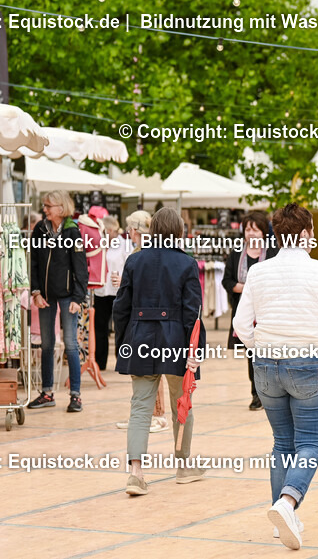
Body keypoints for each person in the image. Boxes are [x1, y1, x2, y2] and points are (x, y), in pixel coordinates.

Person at [233, 203, 318, 550]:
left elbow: (240, 326)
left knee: (282, 443)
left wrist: (259, 347)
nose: (313, 236)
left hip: (266, 365)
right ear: (302, 234)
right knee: (311, 442)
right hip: (309, 363)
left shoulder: (257, 271)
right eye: (311, 230)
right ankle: (287, 502)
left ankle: (280, 519)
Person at [114, 208, 205, 495]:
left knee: (140, 407)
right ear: (178, 231)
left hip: (139, 337)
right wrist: (196, 351)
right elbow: (194, 314)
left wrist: (122, 344)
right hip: (176, 341)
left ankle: (136, 473)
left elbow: (121, 308)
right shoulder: (187, 264)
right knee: (182, 403)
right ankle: (182, 467)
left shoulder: (134, 260)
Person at [28, 190, 89, 413]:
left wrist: (78, 297)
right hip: (45, 296)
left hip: (68, 296)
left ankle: (76, 396)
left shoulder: (73, 231)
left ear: (61, 209)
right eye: (44, 205)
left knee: (71, 344)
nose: (44, 209)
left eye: (48, 206)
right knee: (46, 344)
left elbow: (81, 267)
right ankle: (47, 393)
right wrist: (35, 292)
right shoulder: (39, 230)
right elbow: (33, 262)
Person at [115, 210, 167, 433]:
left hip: (146, 319)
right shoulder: (141, 252)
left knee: (151, 371)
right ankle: (142, 415)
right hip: (147, 319)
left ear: (134, 230)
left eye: (129, 228)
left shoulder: (141, 254)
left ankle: (156, 416)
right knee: (144, 372)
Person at [223, 210, 279, 410]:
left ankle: (272, 393)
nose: (251, 233)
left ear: (264, 231)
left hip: (268, 312)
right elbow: (227, 281)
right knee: (251, 355)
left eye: (255, 229)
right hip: (245, 313)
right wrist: (248, 288)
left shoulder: (273, 253)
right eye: (248, 229)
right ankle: (256, 394)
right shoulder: (236, 254)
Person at [92, 216, 128, 371]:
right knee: (100, 327)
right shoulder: (100, 244)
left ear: (111, 230)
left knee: (120, 326)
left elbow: (129, 265)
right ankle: (101, 361)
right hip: (101, 291)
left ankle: (122, 360)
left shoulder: (124, 245)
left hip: (117, 291)